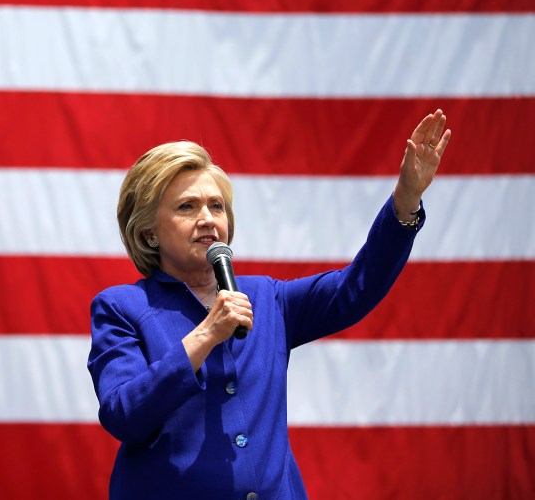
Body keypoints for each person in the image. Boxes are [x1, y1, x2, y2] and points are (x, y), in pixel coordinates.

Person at [87, 109, 451, 499]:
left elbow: (355, 288)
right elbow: (123, 414)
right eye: (187, 207)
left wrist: (407, 200)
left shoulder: (266, 297)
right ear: (148, 233)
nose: (208, 219)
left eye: (217, 206)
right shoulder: (121, 307)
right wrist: (206, 334)